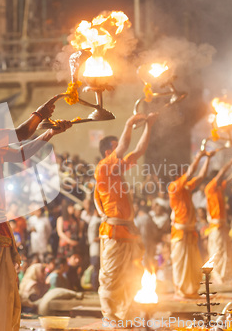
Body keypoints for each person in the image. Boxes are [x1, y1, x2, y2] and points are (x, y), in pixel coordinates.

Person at [0, 92, 72, 331]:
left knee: (2, 291)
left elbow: (21, 153)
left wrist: (49, 133)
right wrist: (40, 113)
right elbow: (21, 134)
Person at [94, 112, 157, 320]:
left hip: (128, 231)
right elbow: (125, 147)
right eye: (115, 147)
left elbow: (139, 150)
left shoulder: (118, 170)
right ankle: (109, 315)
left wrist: (149, 125)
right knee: (111, 276)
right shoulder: (103, 168)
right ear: (108, 152)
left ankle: (125, 314)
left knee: (132, 275)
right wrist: (129, 123)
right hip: (113, 231)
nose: (120, 151)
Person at [169, 150, 213, 299]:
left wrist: (207, 159)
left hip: (190, 232)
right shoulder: (173, 187)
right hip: (180, 234)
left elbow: (200, 176)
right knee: (181, 266)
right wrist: (198, 157)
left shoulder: (186, 188)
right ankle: (181, 292)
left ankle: (191, 291)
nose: (185, 176)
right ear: (177, 176)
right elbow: (190, 173)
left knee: (193, 265)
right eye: (182, 174)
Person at [204, 157, 232, 284]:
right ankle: (218, 277)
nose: (221, 180)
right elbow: (222, 174)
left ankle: (227, 277)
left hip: (223, 226)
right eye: (218, 179)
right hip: (215, 227)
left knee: (226, 251)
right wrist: (230, 161)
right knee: (217, 251)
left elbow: (230, 177)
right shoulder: (210, 188)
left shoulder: (219, 188)